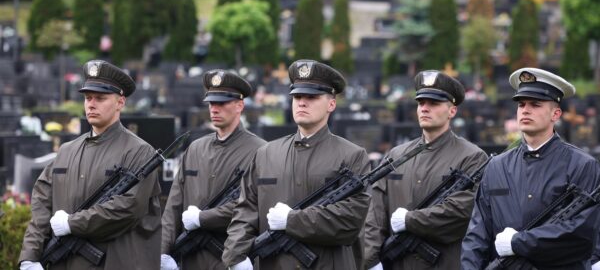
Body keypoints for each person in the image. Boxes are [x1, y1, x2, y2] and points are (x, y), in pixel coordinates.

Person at [222, 59, 371, 269]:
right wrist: (236, 255)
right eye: (297, 96)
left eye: (311, 97)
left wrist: (291, 221)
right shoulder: (266, 154)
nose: (302, 102)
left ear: (331, 103)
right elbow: (245, 210)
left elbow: (349, 221)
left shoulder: (352, 156)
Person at [19, 60, 162, 269]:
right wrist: (30, 255)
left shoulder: (139, 152)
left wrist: (71, 223)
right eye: (87, 98)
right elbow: (42, 200)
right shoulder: (67, 151)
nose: (91, 104)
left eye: (100, 98)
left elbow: (128, 208)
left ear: (120, 102)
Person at [462, 67, 600, 269]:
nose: (525, 110)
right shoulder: (497, 166)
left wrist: (519, 243)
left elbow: (581, 233)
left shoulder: (582, 165)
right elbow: (477, 233)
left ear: (556, 114)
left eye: (535, 104)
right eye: (521, 104)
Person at [363, 70, 488, 270]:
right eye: (421, 103)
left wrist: (410, 221)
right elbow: (375, 214)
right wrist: (371, 261)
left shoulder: (472, 158)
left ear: (452, 111)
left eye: (434, 103)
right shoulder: (396, 156)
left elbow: (461, 213)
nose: (425, 109)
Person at [160, 70, 266, 270]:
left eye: (222, 103)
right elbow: (174, 205)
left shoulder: (260, 151)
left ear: (239, 105)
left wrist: (203, 218)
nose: (214, 109)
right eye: (211, 103)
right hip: (192, 258)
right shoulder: (196, 148)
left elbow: (255, 205)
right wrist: (162, 252)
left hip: (232, 259)